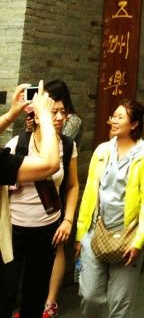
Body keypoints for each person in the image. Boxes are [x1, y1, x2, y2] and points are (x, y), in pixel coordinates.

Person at [0, 82, 79, 318]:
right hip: (13, 230)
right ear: (36, 115)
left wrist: (67, 220)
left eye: (63, 111)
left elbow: (72, 185)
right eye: (52, 111)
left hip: (46, 230)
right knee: (6, 294)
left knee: (35, 296)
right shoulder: (17, 144)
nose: (59, 117)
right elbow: (49, 165)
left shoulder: (68, 146)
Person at [75, 99, 144, 318]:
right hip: (95, 232)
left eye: (121, 117)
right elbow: (89, 192)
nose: (114, 120)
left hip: (128, 236)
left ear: (134, 124)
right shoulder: (102, 151)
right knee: (90, 296)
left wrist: (139, 240)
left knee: (120, 304)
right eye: (114, 116)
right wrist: (81, 233)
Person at [0, 83, 60, 274]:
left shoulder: (68, 145)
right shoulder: (14, 147)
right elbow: (50, 164)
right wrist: (44, 115)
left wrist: (11, 114)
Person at [43, 79, 83, 318]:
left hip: (57, 189)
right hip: (36, 191)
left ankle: (51, 302)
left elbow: (57, 147)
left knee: (56, 245)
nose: (57, 116)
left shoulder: (72, 121)